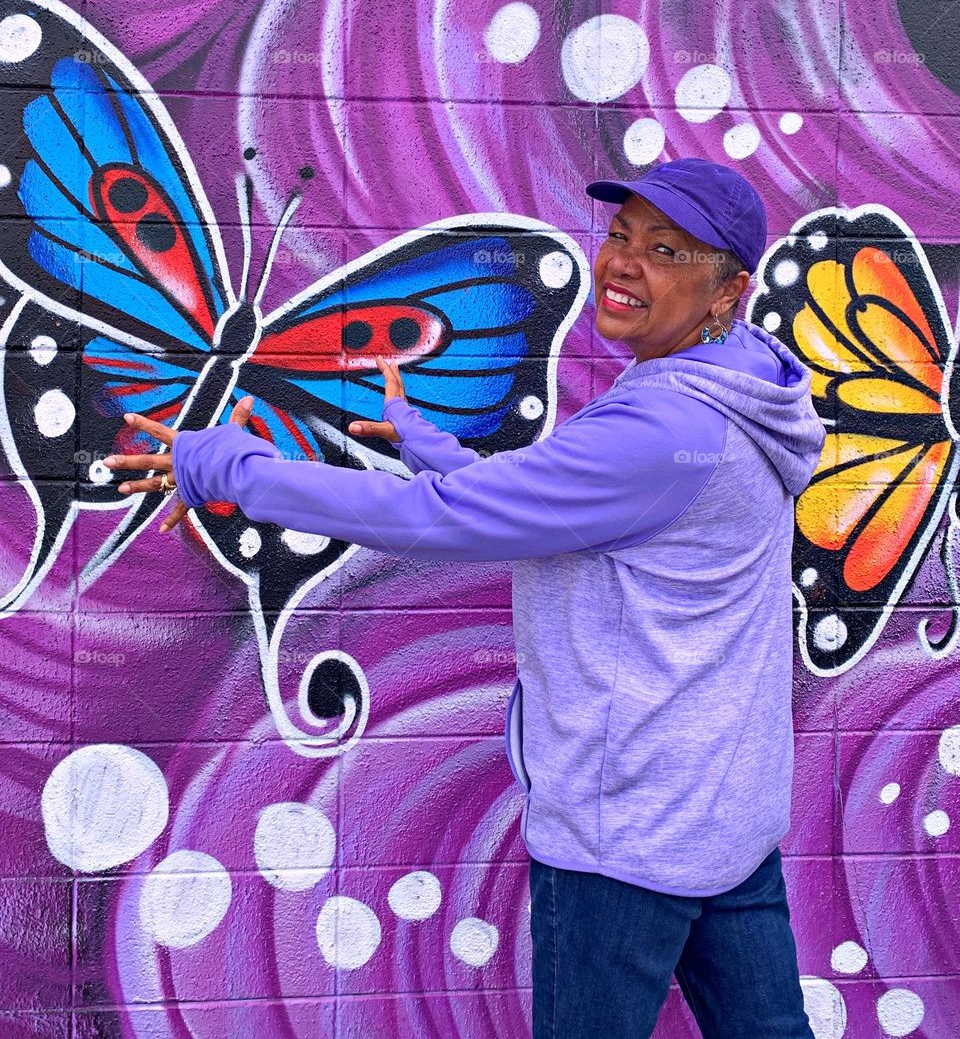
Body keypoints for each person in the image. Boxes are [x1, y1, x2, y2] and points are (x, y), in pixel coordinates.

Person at [104, 158, 824, 1038]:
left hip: (629, 828)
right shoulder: (744, 392)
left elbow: (444, 520)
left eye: (666, 250)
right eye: (622, 236)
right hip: (724, 812)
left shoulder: (666, 429)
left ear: (728, 290)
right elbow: (571, 511)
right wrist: (436, 449)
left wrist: (229, 465)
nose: (624, 264)